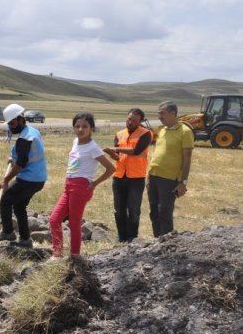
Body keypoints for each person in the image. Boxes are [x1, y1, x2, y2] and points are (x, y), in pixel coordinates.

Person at [49, 113, 115, 259]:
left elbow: (111, 168)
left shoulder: (93, 147)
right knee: (54, 219)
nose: (80, 129)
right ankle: (57, 255)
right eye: (77, 126)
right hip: (69, 185)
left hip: (81, 187)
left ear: (91, 128)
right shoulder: (75, 142)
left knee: (74, 223)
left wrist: (95, 183)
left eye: (85, 126)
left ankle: (75, 257)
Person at [0, 103, 48, 248]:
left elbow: (21, 164)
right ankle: (25, 240)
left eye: (13, 122)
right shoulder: (32, 131)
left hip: (29, 178)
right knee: (19, 206)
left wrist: (5, 180)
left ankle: (8, 232)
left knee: (5, 200)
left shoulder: (25, 138)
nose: (11, 126)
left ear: (21, 119)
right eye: (9, 124)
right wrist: (14, 158)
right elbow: (26, 155)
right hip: (38, 178)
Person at [103, 108, 153, 242]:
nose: (130, 122)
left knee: (134, 209)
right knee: (118, 210)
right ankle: (121, 236)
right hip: (119, 176)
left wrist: (116, 149)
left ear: (140, 122)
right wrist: (111, 152)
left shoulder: (146, 134)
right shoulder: (119, 134)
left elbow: (136, 151)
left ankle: (132, 237)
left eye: (134, 120)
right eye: (129, 119)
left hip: (136, 178)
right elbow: (117, 156)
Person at [147, 101, 194, 237]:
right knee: (154, 211)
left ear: (173, 113)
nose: (159, 116)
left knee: (165, 211)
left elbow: (187, 159)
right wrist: (149, 176)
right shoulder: (162, 130)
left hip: (169, 179)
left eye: (162, 113)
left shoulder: (185, 132)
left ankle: (167, 243)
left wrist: (183, 183)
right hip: (154, 176)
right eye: (158, 114)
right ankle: (157, 241)